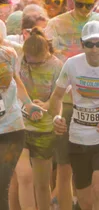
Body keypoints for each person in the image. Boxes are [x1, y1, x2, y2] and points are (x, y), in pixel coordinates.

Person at [45, 0, 99, 210]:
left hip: (97, 104)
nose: (85, 10)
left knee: (98, 170)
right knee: (64, 167)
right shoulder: (56, 24)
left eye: (90, 5)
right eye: (80, 3)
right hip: (66, 102)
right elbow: (47, 61)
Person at [48, 20, 99, 210]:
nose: (95, 49)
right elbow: (57, 97)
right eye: (89, 44)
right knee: (85, 200)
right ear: (82, 44)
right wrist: (57, 117)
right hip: (79, 137)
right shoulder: (72, 65)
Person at [16, 27, 63, 210]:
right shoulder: (19, 59)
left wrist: (46, 105)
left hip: (44, 128)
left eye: (38, 63)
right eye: (30, 62)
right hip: (20, 126)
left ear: (47, 54)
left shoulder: (57, 66)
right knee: (25, 176)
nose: (33, 66)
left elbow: (57, 96)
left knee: (43, 185)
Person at [0, 42, 44, 210]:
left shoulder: (8, 54)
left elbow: (15, 80)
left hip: (11, 127)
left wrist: (28, 103)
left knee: (1, 183)